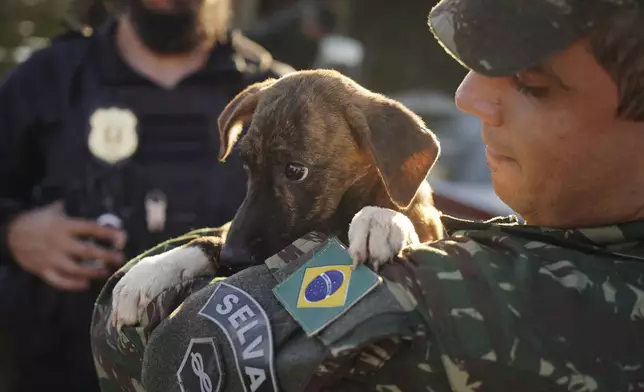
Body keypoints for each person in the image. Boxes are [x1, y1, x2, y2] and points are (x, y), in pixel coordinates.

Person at [91, 0, 644, 390]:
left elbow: (143, 338)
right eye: (475, 69)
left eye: (534, 84)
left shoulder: (441, 303)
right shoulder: (563, 245)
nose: (469, 96)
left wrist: (209, 254)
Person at [0, 0, 293, 390]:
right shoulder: (46, 79)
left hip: (233, 374)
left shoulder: (282, 97)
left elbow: (336, 226)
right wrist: (14, 232)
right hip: (61, 372)